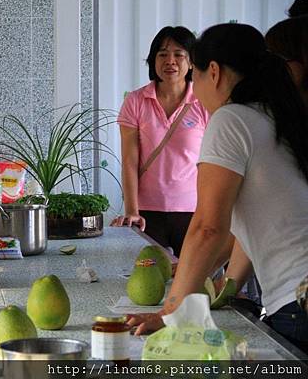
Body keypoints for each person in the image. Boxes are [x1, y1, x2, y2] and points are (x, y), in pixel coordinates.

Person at [128, 23, 308, 354]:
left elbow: (208, 227)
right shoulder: (276, 116)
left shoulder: (231, 120)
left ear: (213, 72)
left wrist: (171, 311)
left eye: (193, 76)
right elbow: (229, 233)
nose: (193, 89)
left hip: (297, 297)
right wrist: (196, 276)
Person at [111, 26, 210, 257]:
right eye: (162, 54)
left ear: (192, 62)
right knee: (149, 280)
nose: (170, 61)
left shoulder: (204, 101)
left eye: (179, 54)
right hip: (147, 213)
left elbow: (211, 161)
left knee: (192, 282)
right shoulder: (136, 101)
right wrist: (132, 210)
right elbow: (129, 160)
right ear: (153, 60)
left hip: (193, 210)